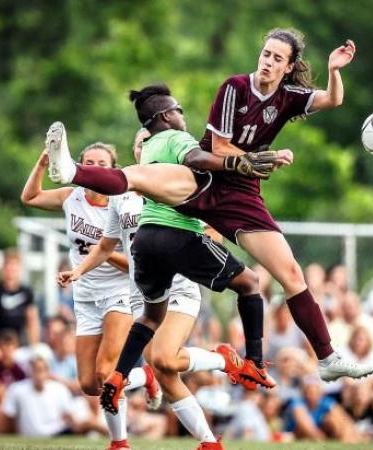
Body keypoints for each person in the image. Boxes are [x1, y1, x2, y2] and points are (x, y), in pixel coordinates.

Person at [47, 30, 373, 383]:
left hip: (242, 196)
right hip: (206, 178)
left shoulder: (288, 95)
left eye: (278, 59)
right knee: (138, 176)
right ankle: (71, 171)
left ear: (289, 66)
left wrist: (334, 70)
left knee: (292, 275)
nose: (268, 62)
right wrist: (255, 158)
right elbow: (218, 150)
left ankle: (326, 358)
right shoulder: (234, 87)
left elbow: (332, 100)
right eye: (266, 54)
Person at [57, 99, 274, 449]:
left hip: (181, 284)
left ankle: (224, 360)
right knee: (157, 370)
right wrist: (79, 270)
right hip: (141, 288)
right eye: (141, 144)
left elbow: (212, 232)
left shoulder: (179, 184)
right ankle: (208, 442)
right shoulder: (122, 192)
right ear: (137, 150)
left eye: (150, 142)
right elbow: (106, 244)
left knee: (163, 359)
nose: (146, 148)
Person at [21, 141, 162, 450]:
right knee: (89, 384)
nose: (95, 169)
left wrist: (103, 250)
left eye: (102, 164)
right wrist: (44, 162)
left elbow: (136, 264)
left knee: (105, 370)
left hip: (119, 293)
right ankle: (143, 376)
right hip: (85, 296)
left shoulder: (127, 203)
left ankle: (119, 442)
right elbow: (29, 197)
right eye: (89, 163)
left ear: (113, 169)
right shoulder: (72, 197)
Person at [0, 249, 40, 360]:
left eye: (14, 265)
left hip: (19, 348)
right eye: (8, 265)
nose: (11, 269)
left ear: (19, 268)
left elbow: (32, 321)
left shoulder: (26, 292)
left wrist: (34, 346)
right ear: (2, 267)